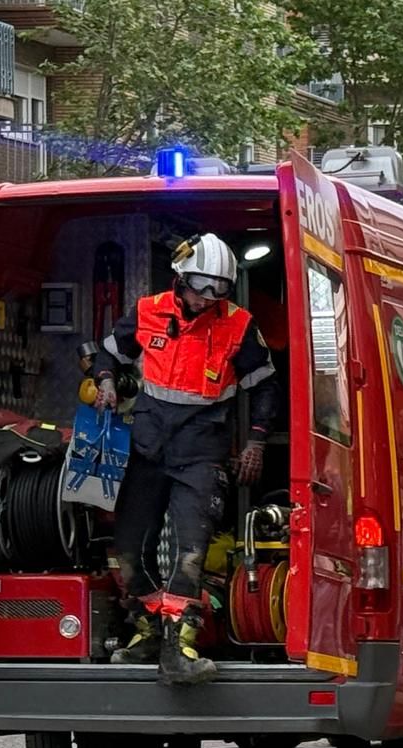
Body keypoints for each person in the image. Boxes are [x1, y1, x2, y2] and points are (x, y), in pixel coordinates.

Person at [92, 233, 281, 685]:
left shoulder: (238, 325)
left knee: (190, 553)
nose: (207, 299)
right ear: (180, 279)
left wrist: (255, 441)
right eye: (200, 287)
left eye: (218, 290)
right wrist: (105, 380)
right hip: (148, 448)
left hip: (201, 451)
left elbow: (265, 387)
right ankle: (147, 631)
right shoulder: (148, 311)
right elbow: (109, 352)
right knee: (129, 551)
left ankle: (181, 646)